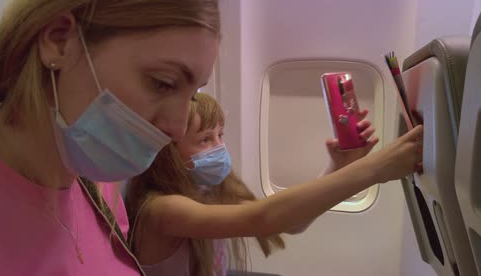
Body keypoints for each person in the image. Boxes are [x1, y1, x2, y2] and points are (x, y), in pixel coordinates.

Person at [0, 0, 220, 274]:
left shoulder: (97, 184)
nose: (179, 128)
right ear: (59, 40)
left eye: (192, 94)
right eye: (163, 82)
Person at [126, 93, 423, 276]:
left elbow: (290, 223)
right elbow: (264, 218)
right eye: (205, 139)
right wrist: (376, 168)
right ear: (168, 153)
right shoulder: (162, 210)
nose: (219, 147)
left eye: (221, 135)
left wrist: (339, 167)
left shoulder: (205, 195)